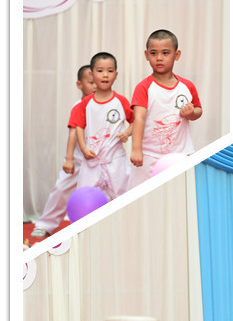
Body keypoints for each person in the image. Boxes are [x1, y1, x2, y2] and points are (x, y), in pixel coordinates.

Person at [128, 29, 202, 189]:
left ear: (177, 55)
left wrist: (191, 113)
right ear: (146, 55)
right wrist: (136, 149)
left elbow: (198, 110)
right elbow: (138, 118)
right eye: (153, 53)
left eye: (165, 53)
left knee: (180, 193)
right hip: (149, 156)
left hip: (181, 154)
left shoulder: (187, 86)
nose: (159, 58)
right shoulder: (143, 87)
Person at [32, 65, 96, 240]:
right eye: (91, 82)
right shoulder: (78, 106)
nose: (95, 86)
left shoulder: (107, 103)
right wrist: (69, 159)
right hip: (78, 160)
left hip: (100, 161)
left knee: (108, 192)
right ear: (79, 84)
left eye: (97, 82)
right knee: (60, 190)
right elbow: (73, 133)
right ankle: (45, 224)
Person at [72, 52, 133, 199]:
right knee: (85, 197)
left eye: (110, 71)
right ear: (92, 74)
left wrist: (127, 133)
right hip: (91, 160)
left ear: (116, 75)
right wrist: (84, 148)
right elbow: (79, 126)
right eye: (100, 71)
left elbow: (135, 121)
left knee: (122, 197)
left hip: (116, 160)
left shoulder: (121, 101)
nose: (105, 75)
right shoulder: (86, 103)